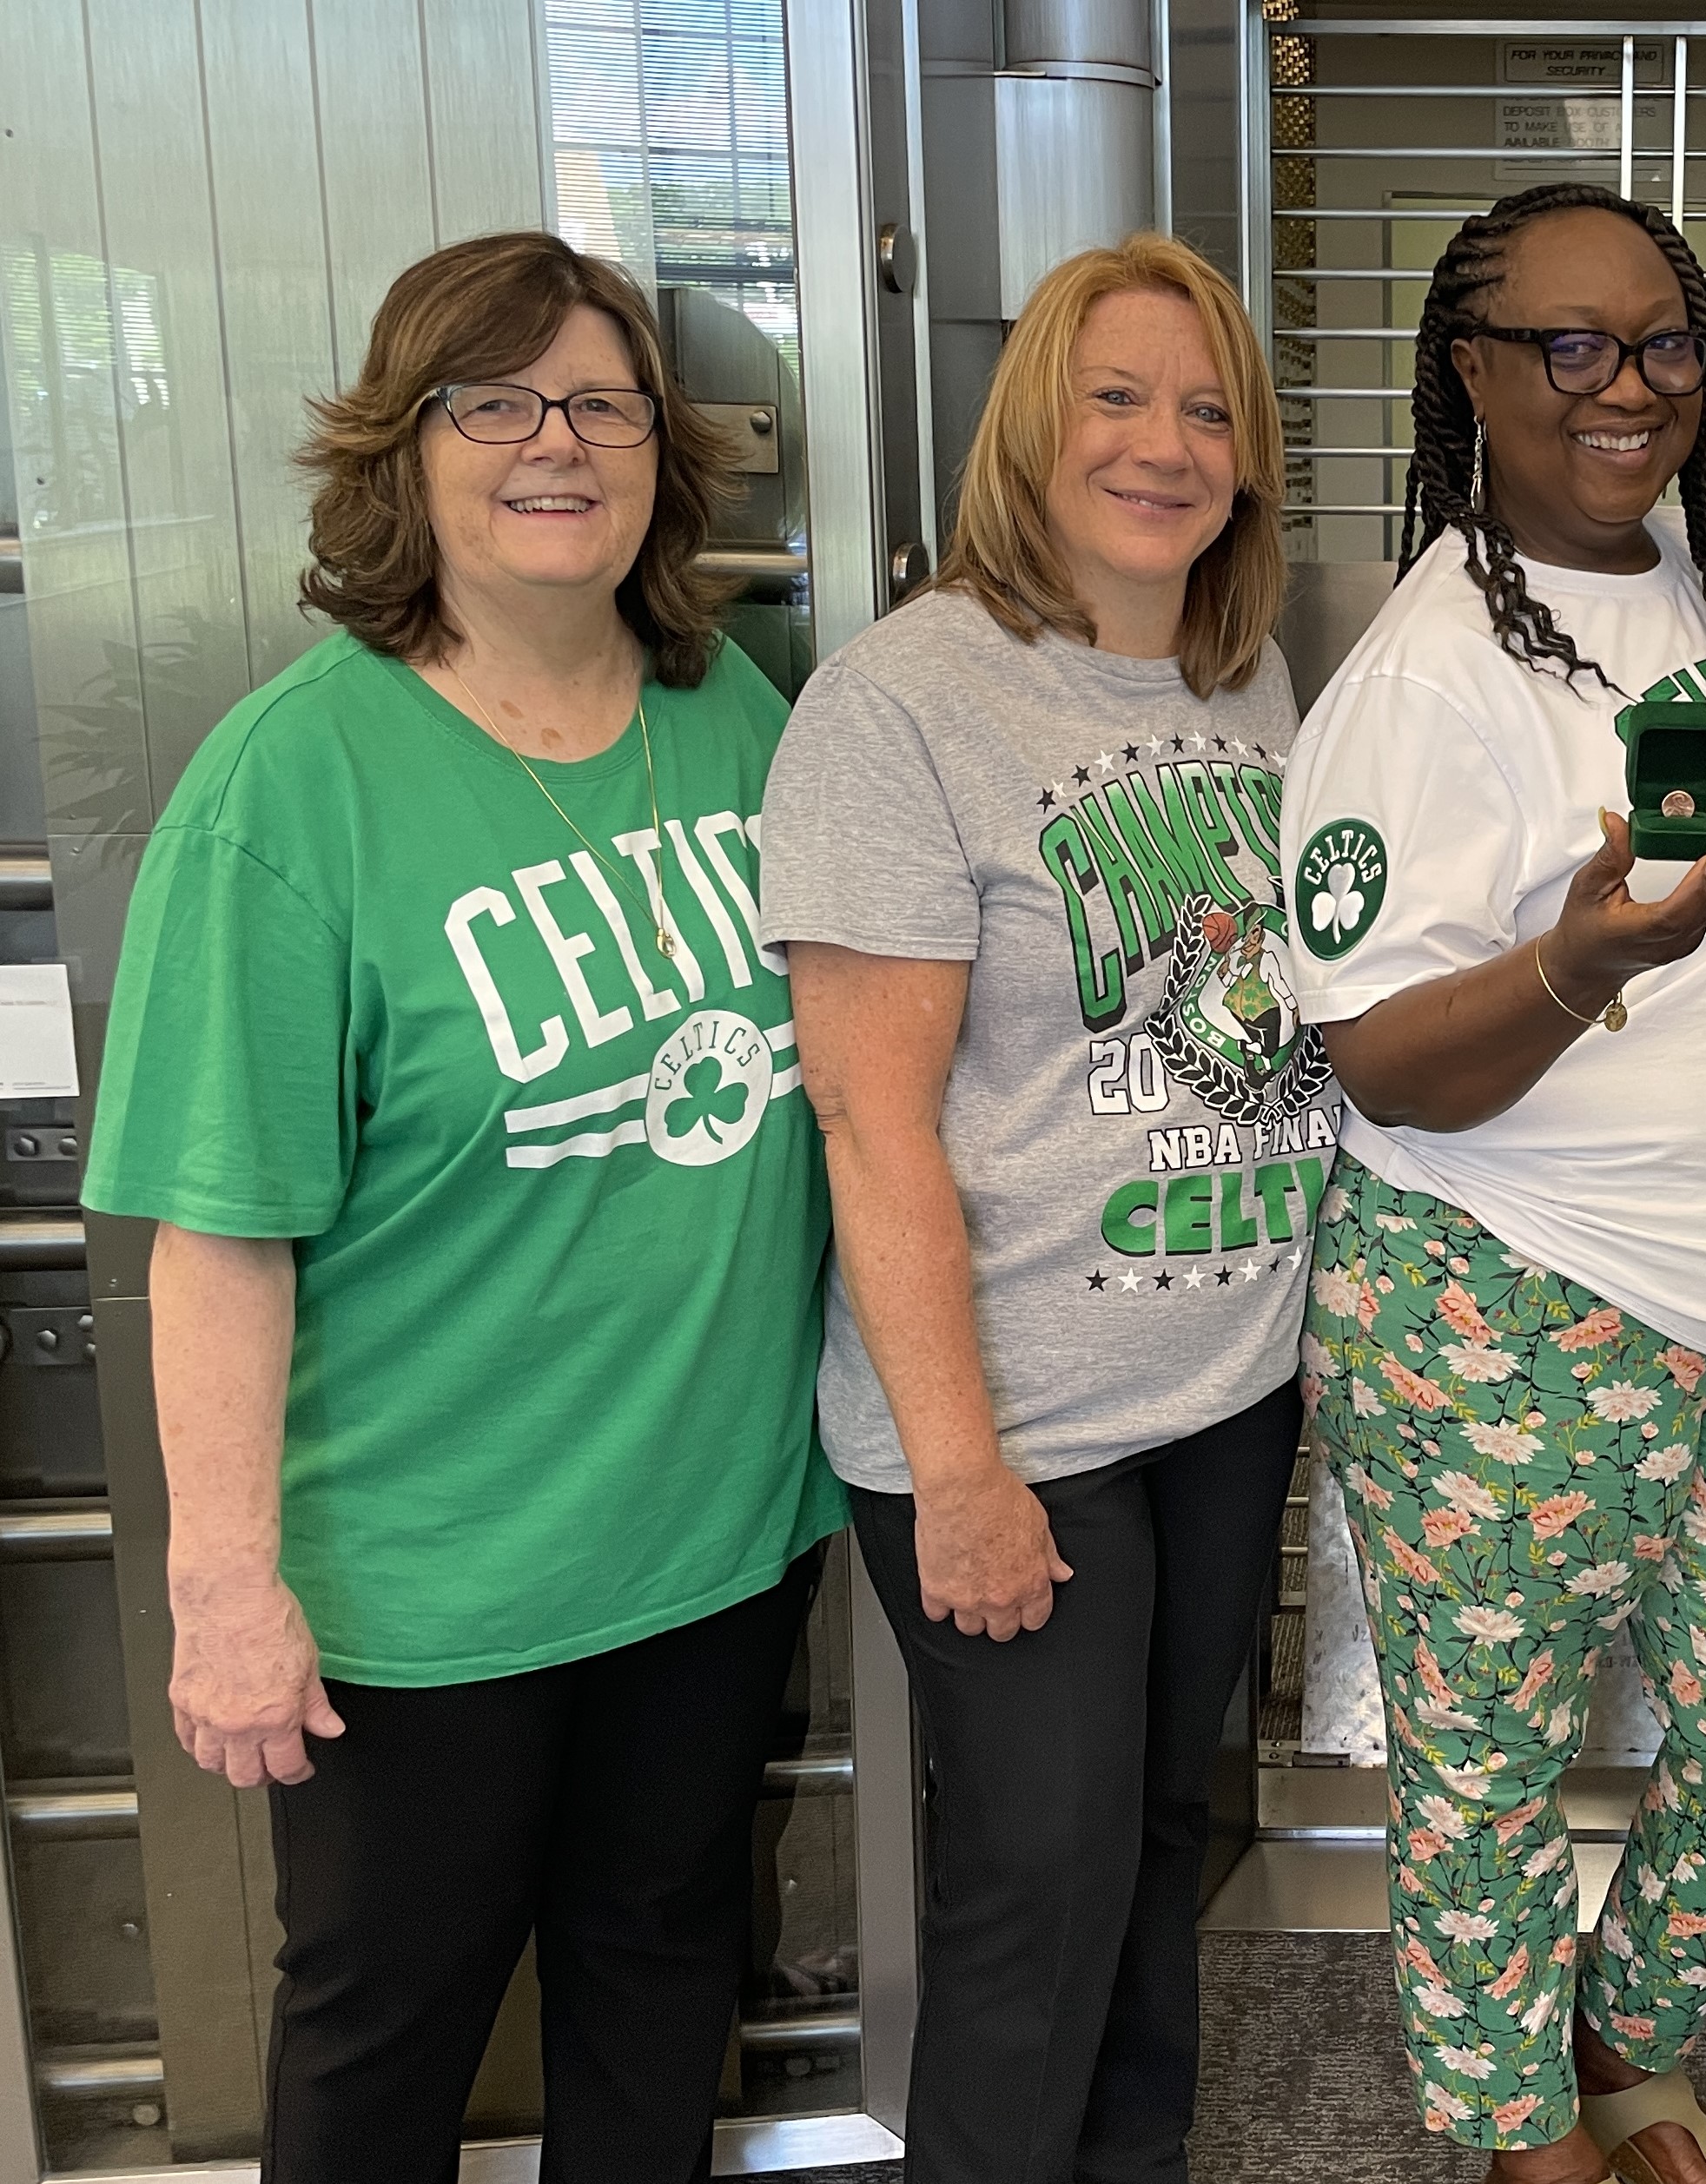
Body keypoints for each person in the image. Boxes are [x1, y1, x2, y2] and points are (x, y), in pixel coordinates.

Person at [81, 230, 843, 2181]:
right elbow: (218, 1229)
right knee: (387, 2024)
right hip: (424, 1590)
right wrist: (222, 1586)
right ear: (400, 454)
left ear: (659, 454)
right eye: (490, 403)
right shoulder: (294, 785)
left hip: (708, 1539)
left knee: (663, 1972)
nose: (553, 444)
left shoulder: (736, 724)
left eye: (598, 402)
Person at [1282, 182, 1706, 2184]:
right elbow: (1371, 1052)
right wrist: (1580, 965)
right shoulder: (1421, 674)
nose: (1623, 388)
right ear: (1467, 372)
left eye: (1660, 343)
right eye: (1565, 345)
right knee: (1487, 1774)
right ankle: (1519, 2135)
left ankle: (1616, 2034)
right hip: (1511, 1300)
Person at [759, 234, 1326, 2184]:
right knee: (1036, 1886)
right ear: (1032, 422)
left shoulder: (1243, 676)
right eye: (1117, 397)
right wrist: (962, 1473)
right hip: (1017, 1426)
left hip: (1220, 1388)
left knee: (1161, 1838)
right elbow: (871, 1125)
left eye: (1204, 409)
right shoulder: (899, 701)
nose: (1164, 444)